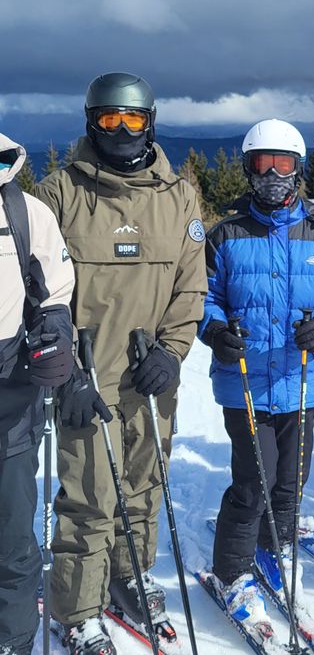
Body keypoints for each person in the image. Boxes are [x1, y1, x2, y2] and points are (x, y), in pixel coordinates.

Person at [36, 73, 207, 655]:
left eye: (133, 119)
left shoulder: (178, 196)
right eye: (111, 119)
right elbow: (38, 291)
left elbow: (191, 286)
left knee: (144, 484)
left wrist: (173, 352)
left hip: (149, 373)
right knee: (88, 496)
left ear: (150, 123)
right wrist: (64, 370)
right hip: (87, 376)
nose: (123, 130)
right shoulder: (60, 193)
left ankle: (129, 573)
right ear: (92, 123)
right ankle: (78, 609)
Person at [200, 119, 314, 632]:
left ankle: (275, 542)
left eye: (282, 164)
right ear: (248, 170)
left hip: (302, 378)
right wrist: (215, 329)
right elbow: (202, 296)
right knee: (254, 481)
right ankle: (231, 570)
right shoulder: (227, 234)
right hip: (246, 378)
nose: (272, 175)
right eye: (262, 164)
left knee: (292, 478)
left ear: (298, 169)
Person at [0, 134, 75, 655]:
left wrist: (54, 334)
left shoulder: (28, 213)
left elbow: (54, 292)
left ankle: (14, 639)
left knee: (11, 536)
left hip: (10, 396)